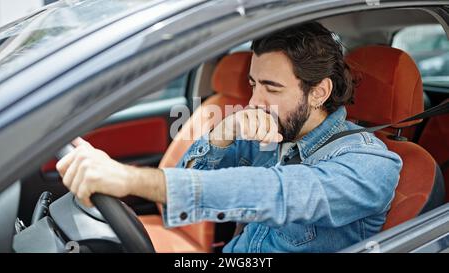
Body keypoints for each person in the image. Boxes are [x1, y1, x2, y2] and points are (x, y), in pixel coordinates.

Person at [56, 22, 402, 252]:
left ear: (319, 92)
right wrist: (223, 133)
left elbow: (274, 192)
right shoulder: (268, 131)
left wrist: (127, 178)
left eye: (272, 88)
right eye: (253, 84)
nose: (254, 102)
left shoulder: (371, 164)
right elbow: (190, 190)